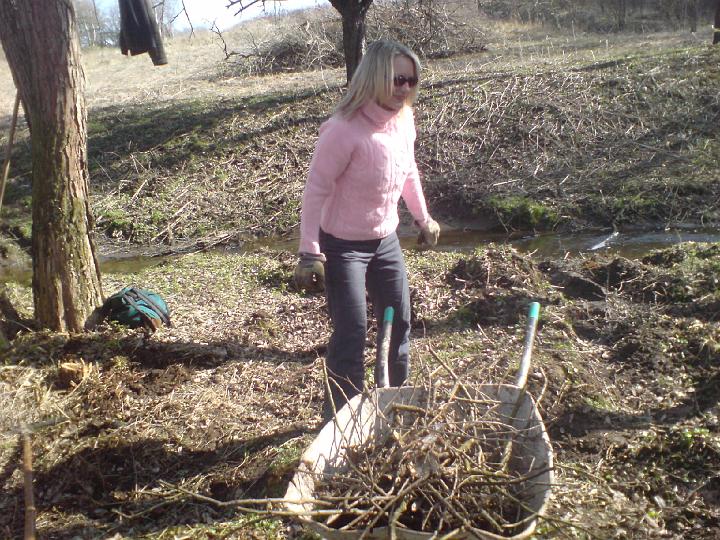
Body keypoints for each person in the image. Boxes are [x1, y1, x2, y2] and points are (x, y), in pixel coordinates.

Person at [294, 39, 440, 421]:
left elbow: (408, 172)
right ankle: (341, 424)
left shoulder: (404, 120)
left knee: (399, 323)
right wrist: (310, 251)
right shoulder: (342, 131)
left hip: (385, 240)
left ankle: (396, 408)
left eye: (411, 80)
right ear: (375, 77)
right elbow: (316, 190)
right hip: (342, 246)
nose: (405, 88)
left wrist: (423, 219)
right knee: (352, 333)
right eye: (396, 80)